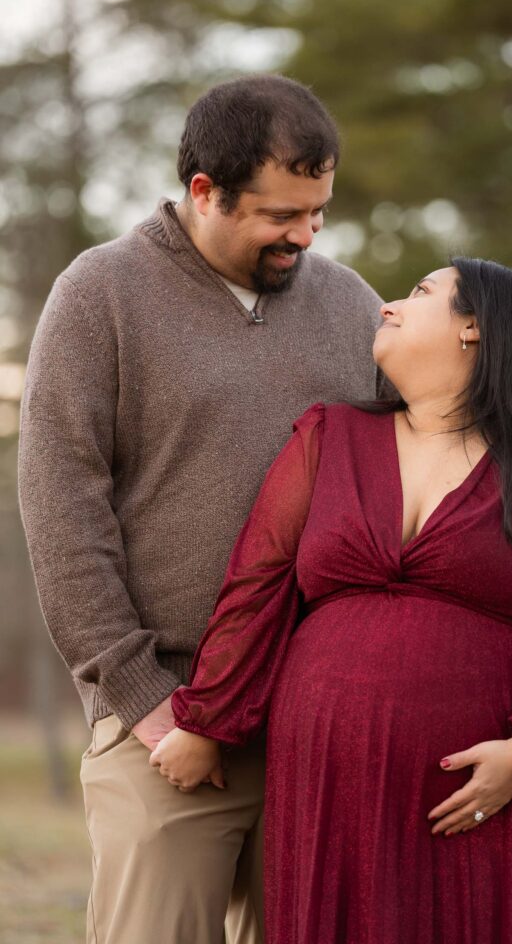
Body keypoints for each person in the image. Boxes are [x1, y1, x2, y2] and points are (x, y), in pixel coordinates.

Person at [150, 257, 512, 944]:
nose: (387, 304)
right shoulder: (329, 435)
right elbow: (255, 586)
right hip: (328, 778)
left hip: (473, 792)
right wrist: (208, 719)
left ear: (474, 326)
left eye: (419, 293)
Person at [18, 74, 385, 944]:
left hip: (318, 718)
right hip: (168, 719)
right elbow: (62, 507)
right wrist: (143, 699)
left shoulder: (353, 305)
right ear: (203, 191)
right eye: (279, 215)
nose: (304, 235)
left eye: (318, 212)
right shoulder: (99, 293)